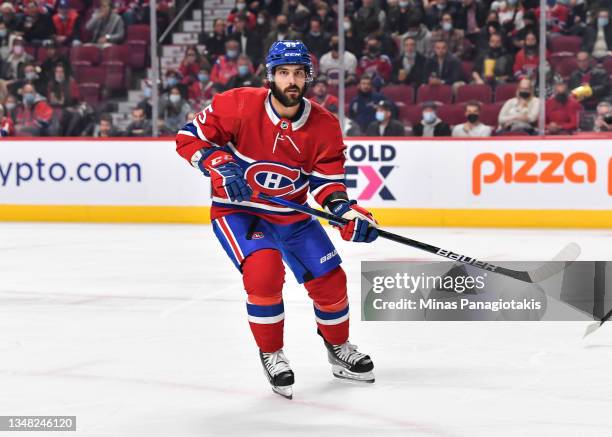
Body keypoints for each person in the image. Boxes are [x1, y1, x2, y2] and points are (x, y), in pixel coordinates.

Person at [175, 40, 377, 400]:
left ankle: (338, 348)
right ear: (270, 76)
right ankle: (272, 353)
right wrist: (216, 163)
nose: (291, 80)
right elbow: (188, 138)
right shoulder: (236, 104)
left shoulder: (324, 125)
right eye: (283, 73)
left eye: (298, 73)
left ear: (308, 77)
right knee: (264, 271)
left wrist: (345, 211)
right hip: (239, 211)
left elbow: (328, 182)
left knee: (332, 280)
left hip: (293, 216)